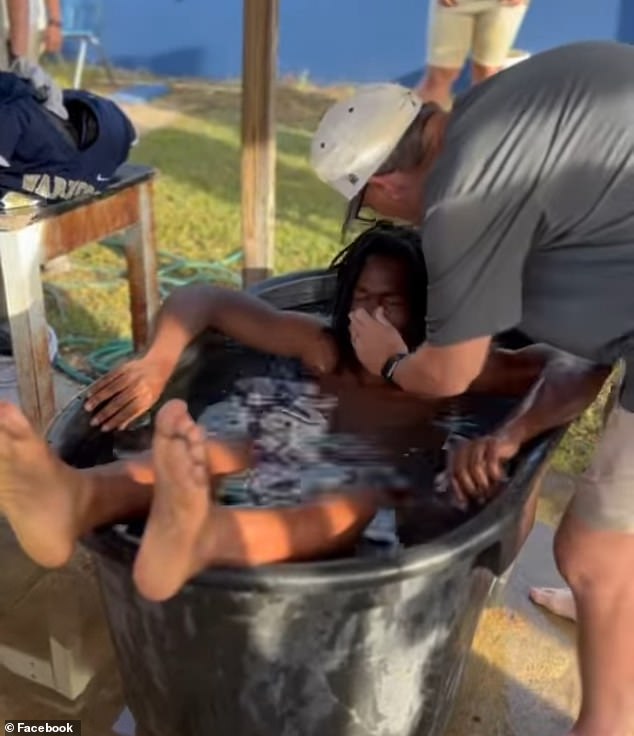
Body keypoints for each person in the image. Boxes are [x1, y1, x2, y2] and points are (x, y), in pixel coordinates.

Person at [0, 223, 605, 605]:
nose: (370, 316)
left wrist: (507, 436)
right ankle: (73, 499)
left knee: (352, 497)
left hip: (379, 489)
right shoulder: (324, 347)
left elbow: (576, 363)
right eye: (360, 301)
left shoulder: (456, 369)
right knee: (221, 448)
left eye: (390, 304)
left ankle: (204, 537)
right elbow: (205, 299)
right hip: (290, 448)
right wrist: (159, 360)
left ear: (425, 314)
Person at [310, 41, 634, 736]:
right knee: (619, 530)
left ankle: (610, 719)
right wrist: (512, 431)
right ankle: (615, 606)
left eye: (375, 210)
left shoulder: (461, 195)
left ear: (384, 188)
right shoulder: (490, 111)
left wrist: (391, 361)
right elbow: (594, 354)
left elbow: (449, 375)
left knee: (589, 551)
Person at [416, 0, 529, 108]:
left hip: (503, 5)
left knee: (488, 73)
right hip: (455, 4)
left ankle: (483, 125)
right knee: (440, 75)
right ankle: (417, 124)